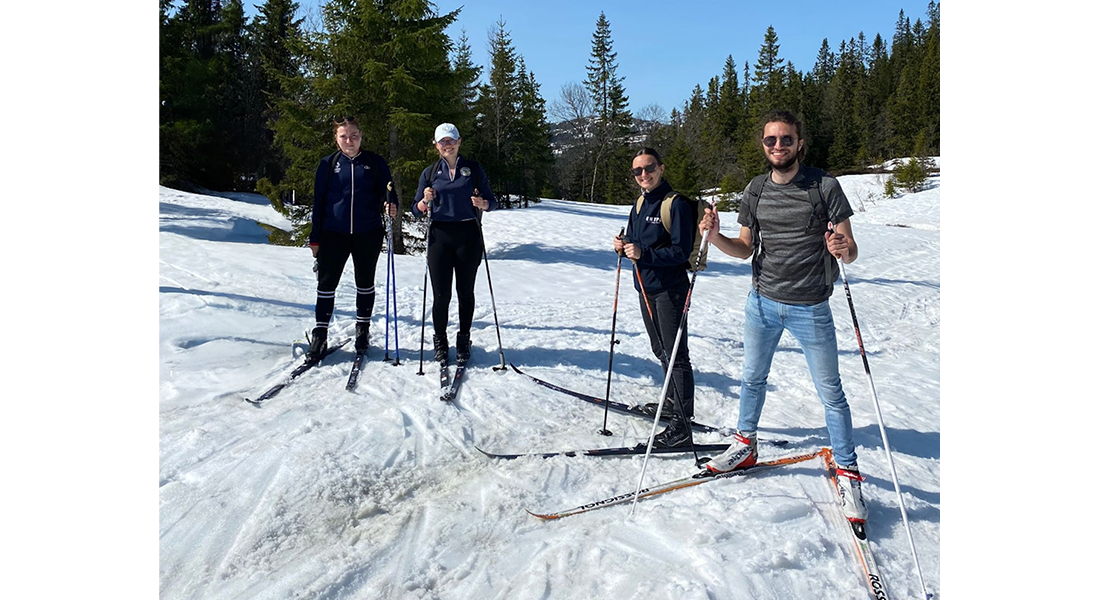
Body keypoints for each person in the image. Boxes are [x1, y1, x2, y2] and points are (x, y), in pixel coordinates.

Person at [698, 110, 867, 523]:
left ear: (799, 143)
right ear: (764, 145)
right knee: (752, 378)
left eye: (786, 140)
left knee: (831, 392)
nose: (778, 147)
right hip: (762, 303)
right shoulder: (755, 190)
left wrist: (842, 248)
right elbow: (745, 249)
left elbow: (852, 248)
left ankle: (847, 472)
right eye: (771, 140)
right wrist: (714, 235)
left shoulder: (824, 186)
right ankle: (745, 444)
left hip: (811, 307)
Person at [612, 148, 696, 449]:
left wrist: (643, 253)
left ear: (661, 168)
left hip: (670, 289)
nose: (643, 175)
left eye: (649, 168)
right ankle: (673, 404)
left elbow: (680, 252)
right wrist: (622, 246)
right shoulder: (639, 203)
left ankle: (682, 427)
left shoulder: (675, 205)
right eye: (637, 171)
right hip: (645, 287)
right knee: (661, 350)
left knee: (676, 355)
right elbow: (634, 242)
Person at [306, 116, 399, 362]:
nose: (349, 140)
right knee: (326, 285)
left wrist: (391, 204)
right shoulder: (328, 164)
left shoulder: (374, 163)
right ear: (336, 139)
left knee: (365, 282)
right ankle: (320, 333)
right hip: (332, 234)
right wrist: (315, 238)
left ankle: (363, 329)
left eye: (354, 135)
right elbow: (319, 203)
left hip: (367, 233)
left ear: (361, 137)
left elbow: (388, 191)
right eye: (343, 136)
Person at [410, 123, 497, 365]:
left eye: (451, 140)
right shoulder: (429, 173)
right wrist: (423, 202)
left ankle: (463, 339)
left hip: (468, 234)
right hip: (440, 236)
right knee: (441, 295)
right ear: (435, 145)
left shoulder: (473, 169)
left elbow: (493, 201)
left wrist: (483, 204)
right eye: (442, 141)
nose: (447, 145)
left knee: (465, 292)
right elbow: (415, 210)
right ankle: (440, 341)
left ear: (459, 142)